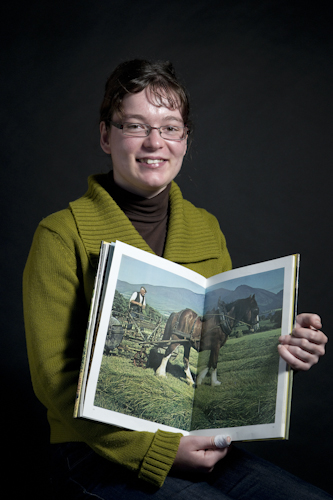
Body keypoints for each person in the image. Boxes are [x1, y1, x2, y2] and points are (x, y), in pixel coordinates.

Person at [23, 59, 330, 499]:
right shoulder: (61, 234)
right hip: (96, 454)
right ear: (106, 136)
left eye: (170, 128)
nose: (155, 143)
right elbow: (54, 379)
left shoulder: (207, 227)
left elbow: (212, 340)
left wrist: (281, 345)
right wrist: (160, 448)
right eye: (135, 125)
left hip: (205, 444)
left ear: (185, 139)